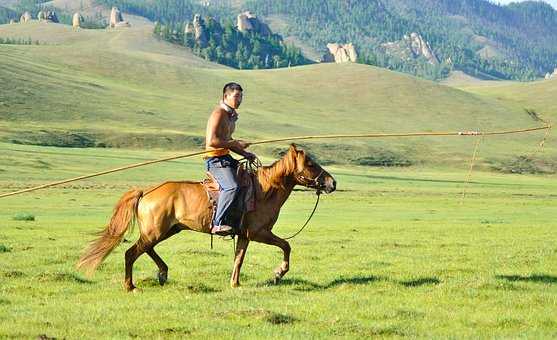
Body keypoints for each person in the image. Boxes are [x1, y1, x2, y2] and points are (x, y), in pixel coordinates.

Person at [205, 82, 256, 236]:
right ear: (225, 96)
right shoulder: (219, 113)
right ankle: (218, 223)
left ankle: (238, 221)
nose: (239, 100)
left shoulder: (229, 116)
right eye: (236, 96)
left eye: (241, 97)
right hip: (215, 160)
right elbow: (212, 141)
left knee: (249, 179)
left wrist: (244, 153)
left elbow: (227, 140)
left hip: (225, 157)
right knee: (232, 187)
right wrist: (234, 143)